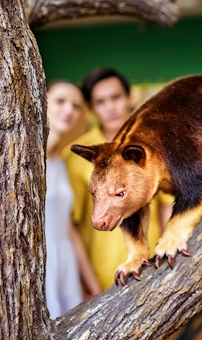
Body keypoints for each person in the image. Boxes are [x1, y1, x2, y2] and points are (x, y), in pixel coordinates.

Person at [63, 68, 173, 290]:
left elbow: (167, 205)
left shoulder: (153, 147)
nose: (110, 107)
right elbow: (69, 227)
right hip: (100, 275)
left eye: (115, 97)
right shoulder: (76, 157)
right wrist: (86, 285)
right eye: (100, 102)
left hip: (151, 266)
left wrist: (168, 259)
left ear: (129, 97)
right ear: (92, 109)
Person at [45, 80, 101, 319]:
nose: (69, 110)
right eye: (60, 101)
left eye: (76, 105)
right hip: (41, 264)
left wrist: (95, 289)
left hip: (65, 263)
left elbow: (69, 230)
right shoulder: (22, 162)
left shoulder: (59, 164)